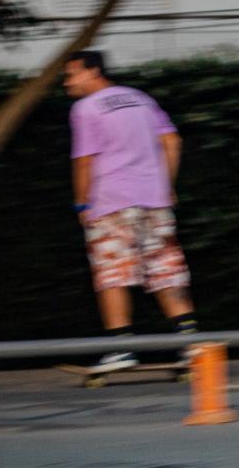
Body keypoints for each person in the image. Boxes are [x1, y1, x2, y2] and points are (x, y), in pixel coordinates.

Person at [62, 50, 200, 373]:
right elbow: (172, 141)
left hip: (110, 201)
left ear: (94, 72)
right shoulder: (140, 98)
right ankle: (190, 345)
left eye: (72, 74)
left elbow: (84, 160)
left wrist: (82, 202)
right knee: (166, 270)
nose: (67, 82)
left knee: (113, 276)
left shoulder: (85, 108)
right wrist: (165, 185)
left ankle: (121, 348)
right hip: (154, 200)